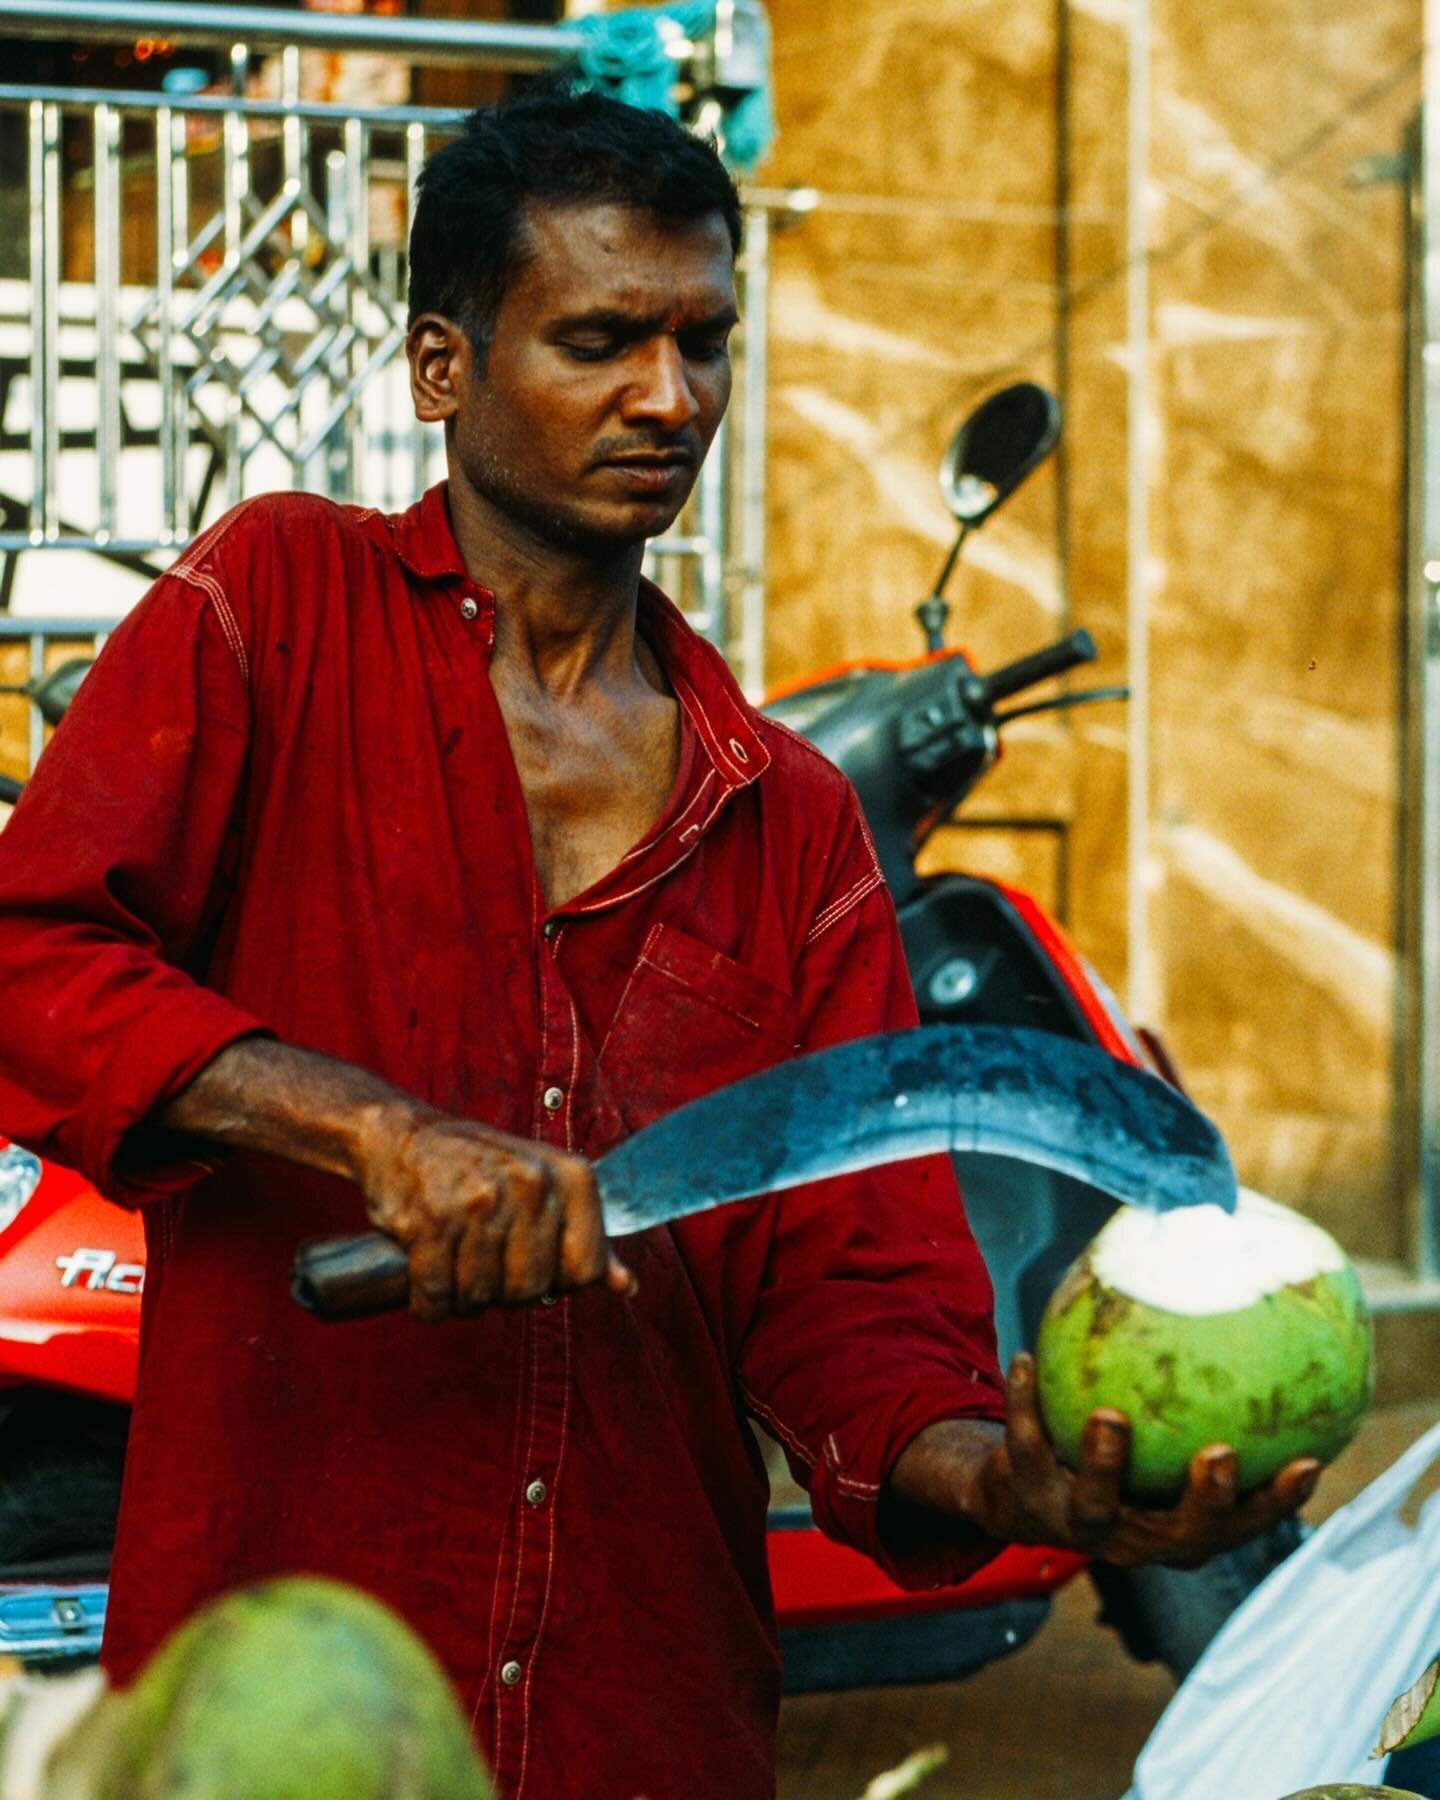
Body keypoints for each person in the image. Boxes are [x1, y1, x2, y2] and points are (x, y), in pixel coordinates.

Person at [0, 90, 1317, 1798]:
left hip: (644, 1710)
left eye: (706, 341)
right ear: (441, 368)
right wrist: (372, 1133)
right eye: (602, 339)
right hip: (273, 1708)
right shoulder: (274, 608)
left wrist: (1004, 1481)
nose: (669, 397)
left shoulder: (787, 819)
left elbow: (854, 1289)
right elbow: (33, 953)